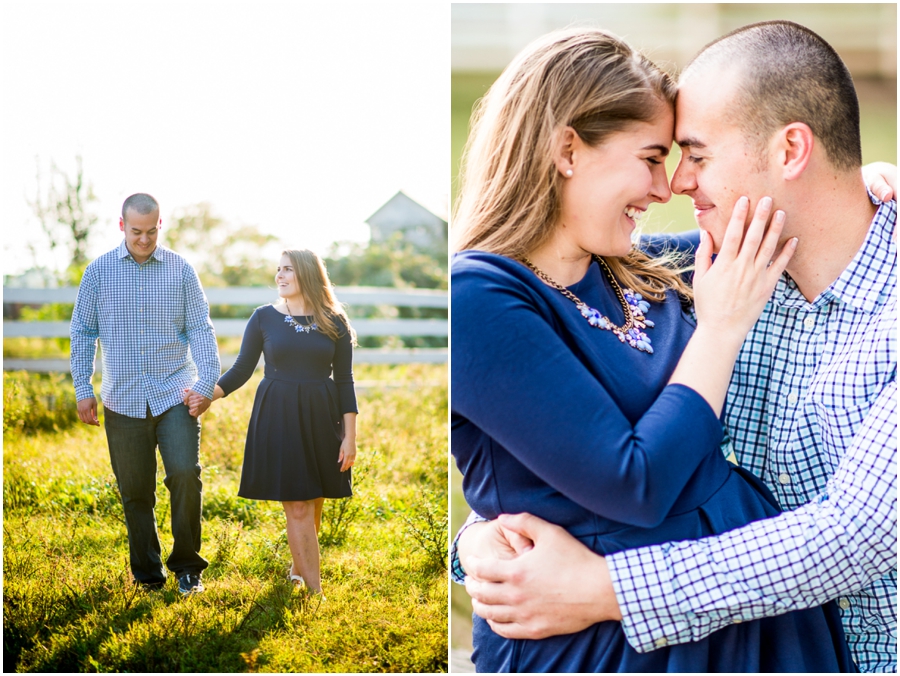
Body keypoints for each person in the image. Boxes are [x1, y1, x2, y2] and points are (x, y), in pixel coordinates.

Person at [456, 20, 896, 674]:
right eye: (659, 157)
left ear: (792, 150)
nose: (674, 186)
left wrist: (602, 590)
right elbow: (543, 449)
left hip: (811, 647)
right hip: (646, 649)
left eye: (695, 154)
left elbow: (848, 538)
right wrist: (475, 543)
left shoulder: (699, 278)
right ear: (567, 150)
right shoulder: (710, 276)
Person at [70, 192, 220, 595]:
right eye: (136, 231)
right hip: (122, 399)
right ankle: (148, 576)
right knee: (136, 493)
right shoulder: (98, 272)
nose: (144, 239)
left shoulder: (181, 270)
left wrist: (206, 383)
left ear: (160, 224)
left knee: (185, 475)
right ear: (122, 226)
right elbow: (82, 332)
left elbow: (200, 330)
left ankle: (188, 567)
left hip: (175, 392)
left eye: (151, 231)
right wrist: (83, 387)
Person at [187, 248, 358, 595]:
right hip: (279, 414)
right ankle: (315, 593)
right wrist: (209, 395)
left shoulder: (334, 321)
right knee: (297, 503)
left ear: (308, 275)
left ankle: (298, 570)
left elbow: (345, 381)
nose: (279, 276)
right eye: (278, 270)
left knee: (314, 501)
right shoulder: (263, 318)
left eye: (288, 270)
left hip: (323, 416)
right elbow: (242, 369)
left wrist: (350, 437)